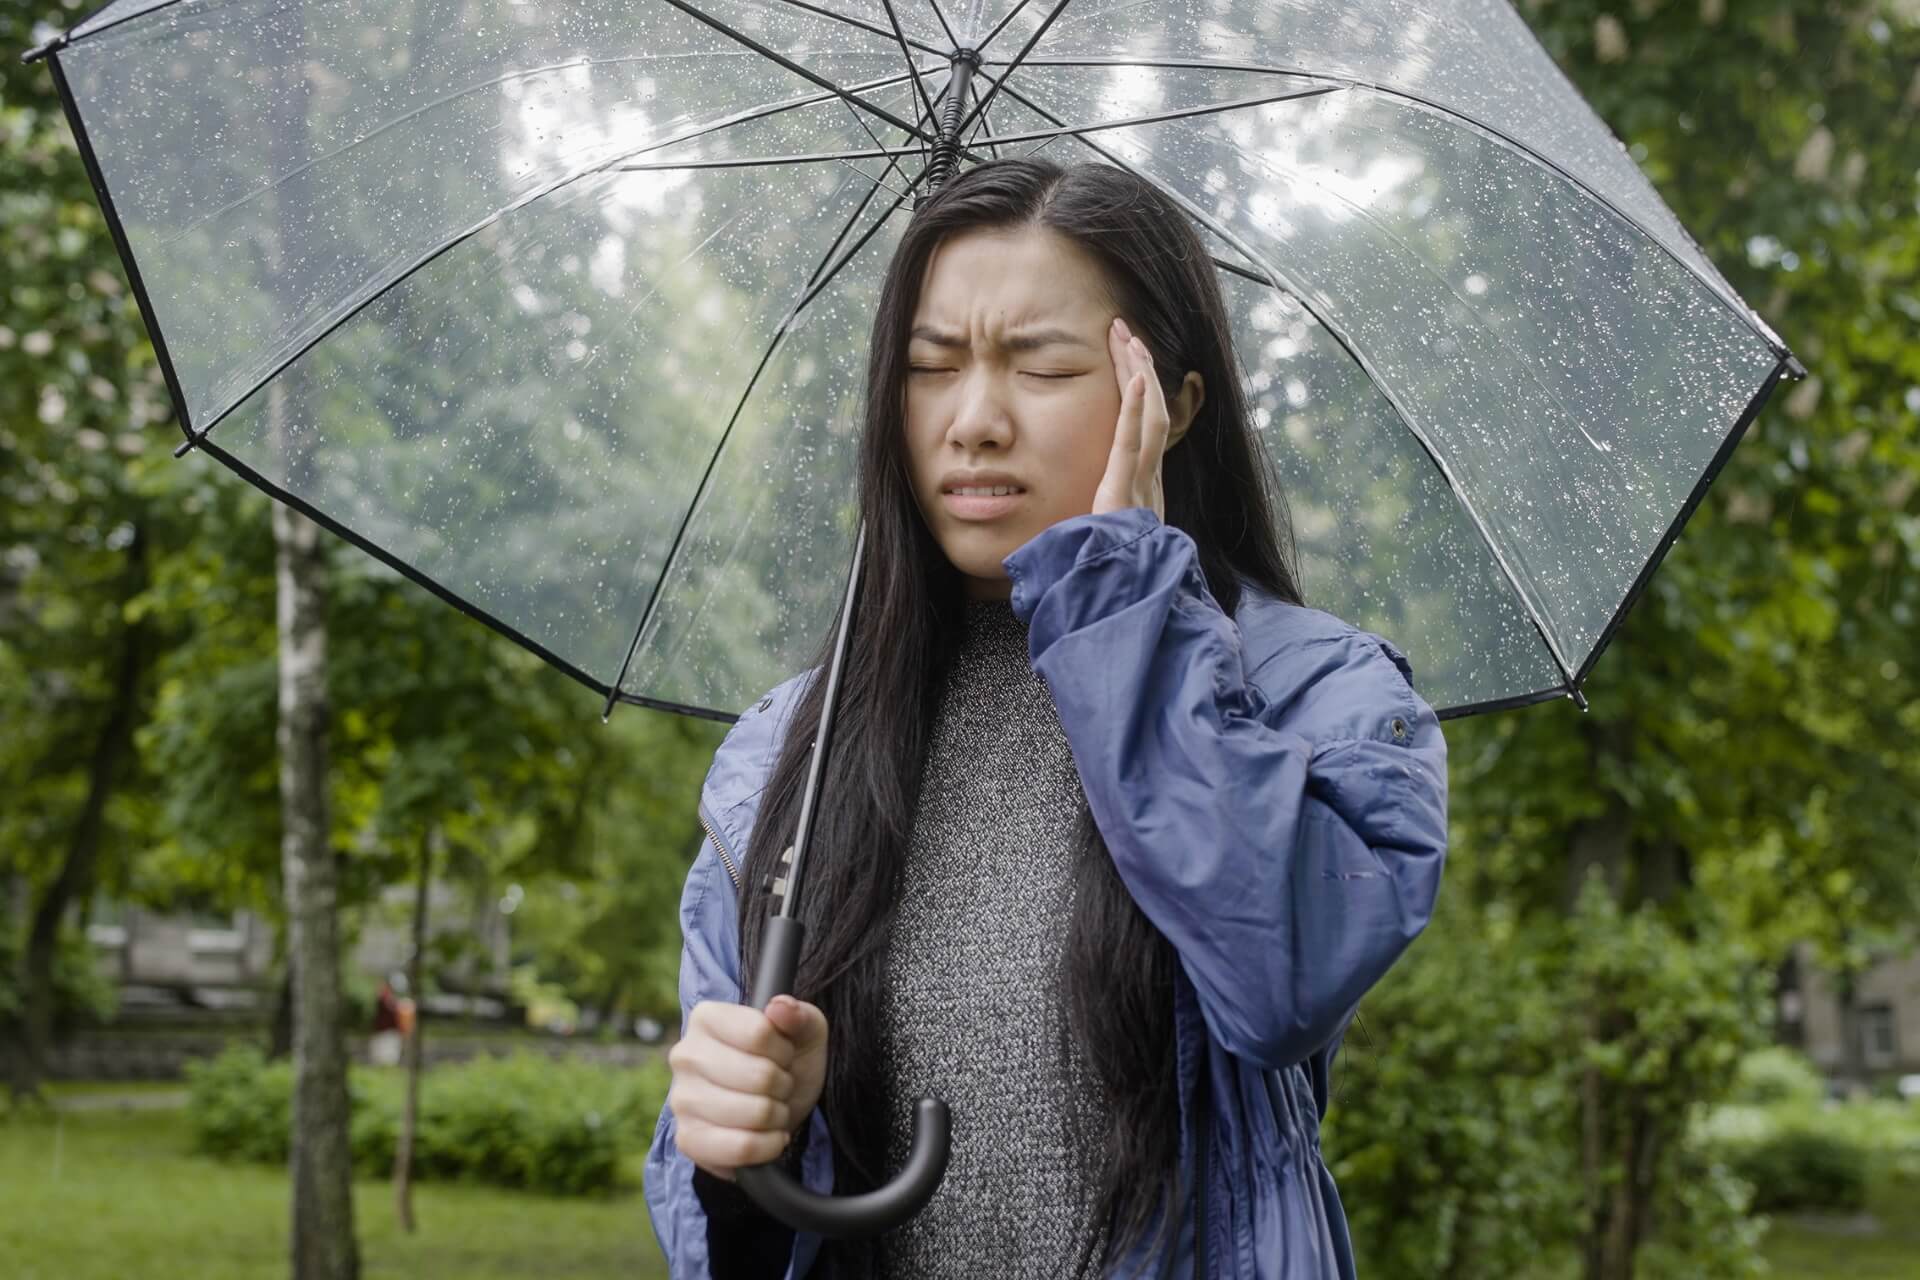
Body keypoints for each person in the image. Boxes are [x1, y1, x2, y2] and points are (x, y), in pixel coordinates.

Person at [642, 158, 1449, 1280]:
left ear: (1174, 403)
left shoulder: (1317, 697)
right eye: (930, 368)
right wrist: (734, 1160)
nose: (973, 421)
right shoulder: (785, 755)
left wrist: (1125, 597)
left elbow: (1282, 976)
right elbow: (726, 1232)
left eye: (1042, 365)